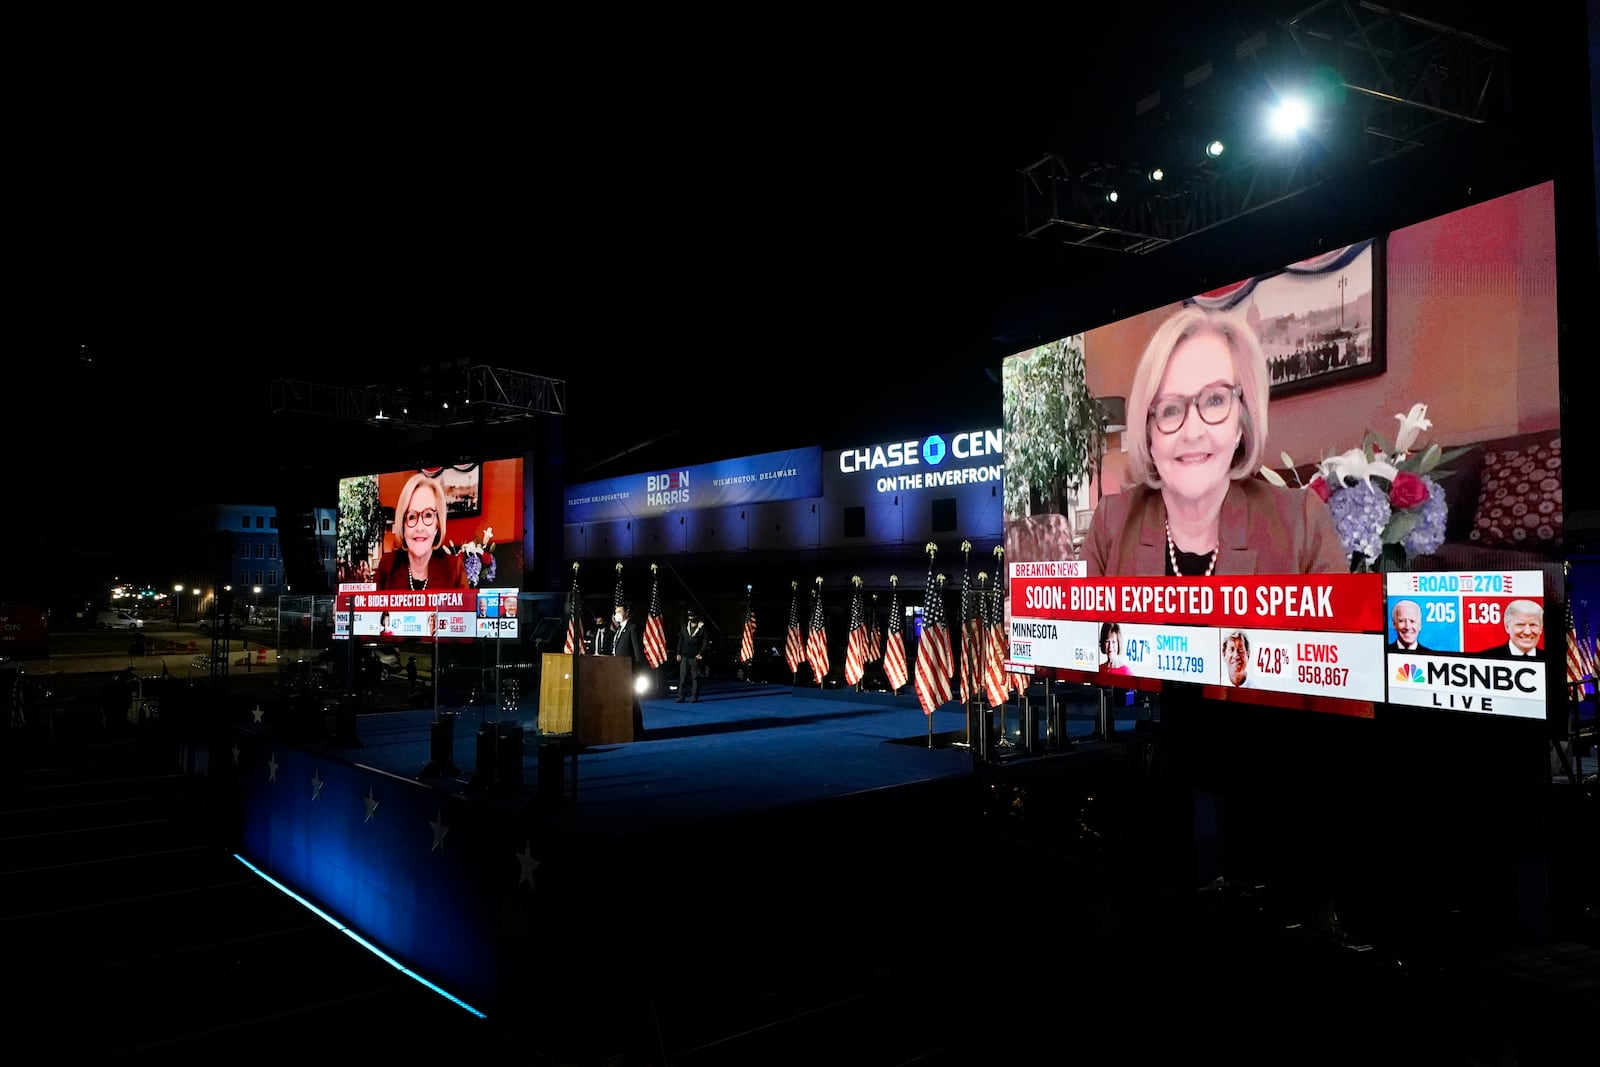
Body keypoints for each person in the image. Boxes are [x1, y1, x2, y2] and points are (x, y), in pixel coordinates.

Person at [1083, 305, 1348, 577]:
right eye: (1170, 409)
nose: (1192, 432)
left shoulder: (1302, 525)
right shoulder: (1111, 524)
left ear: (1241, 421)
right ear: (1149, 432)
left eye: (1215, 400)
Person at [375, 472, 466, 590]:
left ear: (437, 525)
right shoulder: (387, 567)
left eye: (428, 515)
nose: (419, 528)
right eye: (412, 517)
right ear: (403, 525)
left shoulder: (454, 569)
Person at [610, 602, 646, 739]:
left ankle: (638, 729)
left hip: (629, 671)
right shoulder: (619, 629)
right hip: (618, 670)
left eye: (619, 611)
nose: (616, 614)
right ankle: (625, 727)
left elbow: (637, 652)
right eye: (615, 612)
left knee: (632, 701)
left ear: (626, 612)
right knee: (623, 701)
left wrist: (636, 672)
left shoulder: (632, 627)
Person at [1476, 599, 1545, 658]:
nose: (1527, 632)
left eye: (1533, 625)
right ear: (1507, 627)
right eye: (1520, 625)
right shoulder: (1485, 658)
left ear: (1541, 628)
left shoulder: (1553, 660)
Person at [676, 612, 707, 702]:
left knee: (695, 678)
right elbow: (680, 640)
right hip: (685, 656)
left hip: (695, 657)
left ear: (696, 616)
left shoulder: (702, 628)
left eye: (693, 616)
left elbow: (705, 642)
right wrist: (678, 653)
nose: (691, 618)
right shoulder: (685, 627)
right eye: (689, 616)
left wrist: (700, 653)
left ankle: (694, 697)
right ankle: (681, 696)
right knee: (683, 678)